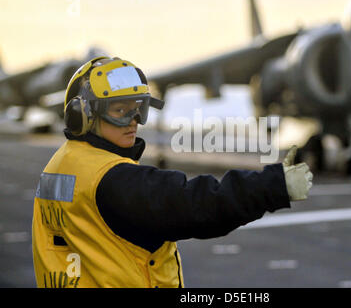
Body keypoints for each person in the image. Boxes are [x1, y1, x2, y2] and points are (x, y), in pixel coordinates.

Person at [32, 56, 313, 288]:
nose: (134, 123)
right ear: (84, 115)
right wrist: (276, 184)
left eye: (138, 110)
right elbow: (198, 204)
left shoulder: (59, 166)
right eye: (119, 111)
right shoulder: (113, 178)